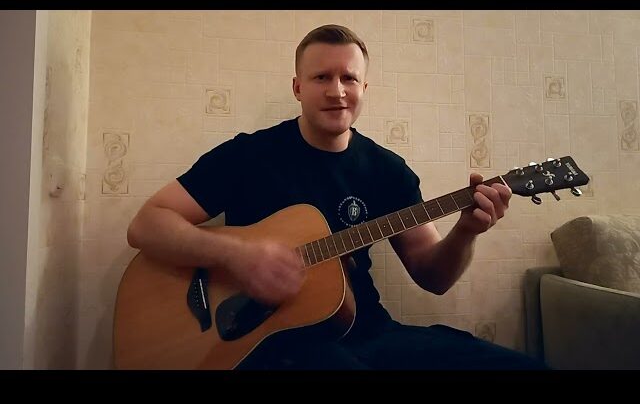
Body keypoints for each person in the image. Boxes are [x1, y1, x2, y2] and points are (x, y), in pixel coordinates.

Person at [127, 24, 547, 370]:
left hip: (367, 332)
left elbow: (433, 277)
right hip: (266, 343)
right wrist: (236, 255)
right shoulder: (248, 155)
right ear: (297, 87)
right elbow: (147, 224)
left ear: (364, 86)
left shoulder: (387, 170)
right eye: (321, 78)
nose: (337, 91)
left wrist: (466, 232)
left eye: (349, 78)